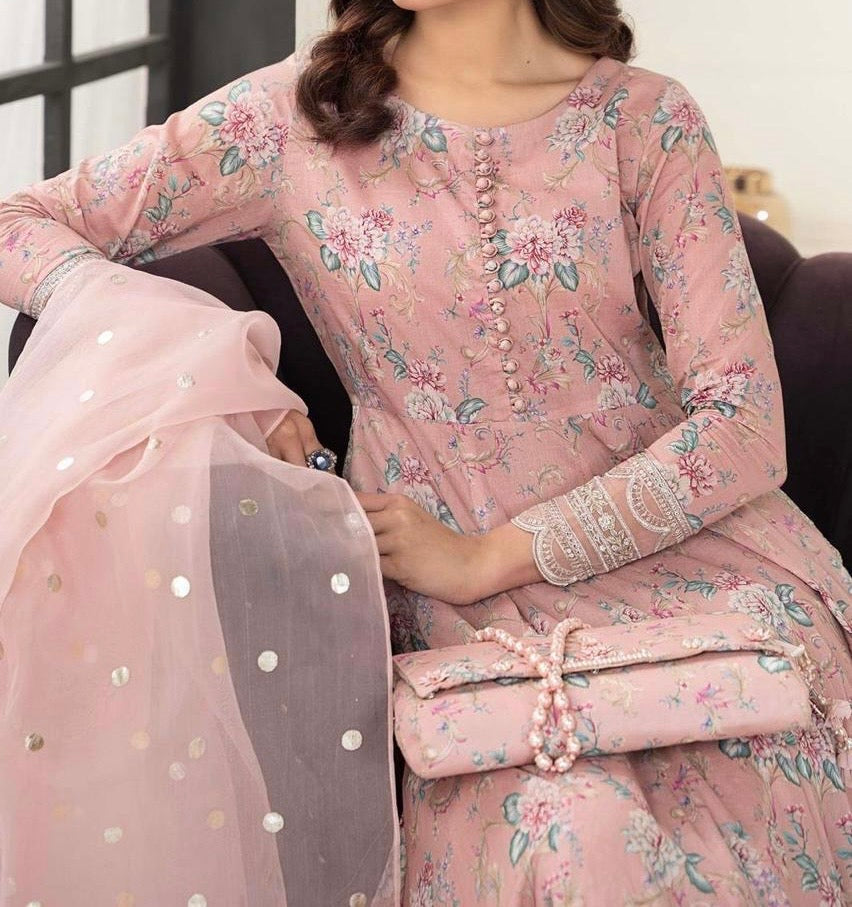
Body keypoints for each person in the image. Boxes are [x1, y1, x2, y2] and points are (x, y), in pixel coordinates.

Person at [1, 0, 850, 903]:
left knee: (761, 790)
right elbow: (20, 224)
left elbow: (741, 426)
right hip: (456, 606)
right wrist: (224, 367)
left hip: (700, 569)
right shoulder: (293, 119)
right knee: (572, 839)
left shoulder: (644, 120)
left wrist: (492, 555)